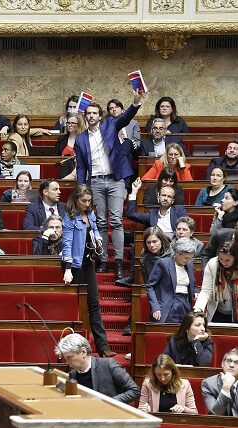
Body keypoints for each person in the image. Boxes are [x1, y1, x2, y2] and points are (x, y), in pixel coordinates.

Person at [75, 90, 143, 278]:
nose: (91, 116)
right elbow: (81, 168)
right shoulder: (80, 139)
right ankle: (104, 261)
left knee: (116, 221)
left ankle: (119, 263)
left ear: (100, 115)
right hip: (95, 182)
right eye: (88, 113)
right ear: (85, 115)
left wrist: (136, 101)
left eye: (94, 113)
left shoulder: (110, 125)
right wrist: (81, 190)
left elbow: (127, 116)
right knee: (102, 224)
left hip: (115, 179)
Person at [62, 184, 116, 357]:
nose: (87, 203)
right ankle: (77, 348)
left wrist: (98, 239)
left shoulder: (90, 214)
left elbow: (94, 231)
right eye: (84, 201)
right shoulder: (69, 217)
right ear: (76, 200)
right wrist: (68, 268)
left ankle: (103, 346)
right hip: (74, 265)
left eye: (89, 200)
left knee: (94, 303)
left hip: (88, 262)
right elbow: (67, 244)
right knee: (79, 306)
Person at [194, 241, 238, 327]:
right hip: (218, 311)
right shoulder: (213, 264)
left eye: (227, 260)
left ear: (235, 258)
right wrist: (198, 309)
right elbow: (205, 291)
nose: (223, 262)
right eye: (221, 259)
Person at [54, 333, 140, 402]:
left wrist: (109, 402)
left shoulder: (108, 365)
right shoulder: (71, 375)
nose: (67, 362)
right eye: (66, 358)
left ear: (83, 352)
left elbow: (134, 391)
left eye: (69, 357)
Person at [146, 237, 196, 323]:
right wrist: (155, 306)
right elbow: (150, 286)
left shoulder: (190, 266)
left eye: (190, 258)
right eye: (186, 258)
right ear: (177, 253)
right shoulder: (163, 263)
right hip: (167, 305)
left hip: (185, 304)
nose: (188, 261)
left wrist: (196, 293)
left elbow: (193, 286)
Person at [54, 113, 85, 178]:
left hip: (78, 172)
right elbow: (55, 156)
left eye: (73, 123)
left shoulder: (83, 139)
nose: (70, 125)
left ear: (79, 125)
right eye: (68, 123)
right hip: (63, 170)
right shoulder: (61, 139)